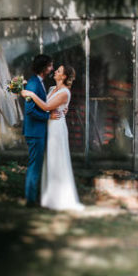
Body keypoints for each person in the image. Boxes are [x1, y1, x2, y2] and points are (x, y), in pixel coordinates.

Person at [22, 65, 84, 211]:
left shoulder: (64, 92)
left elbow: (45, 106)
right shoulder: (51, 89)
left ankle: (60, 198)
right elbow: (45, 107)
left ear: (63, 77)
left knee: (56, 160)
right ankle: (49, 197)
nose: (55, 71)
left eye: (59, 71)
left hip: (56, 129)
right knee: (48, 160)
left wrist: (30, 94)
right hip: (48, 126)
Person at [22, 54, 53, 207]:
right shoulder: (33, 84)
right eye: (50, 66)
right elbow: (29, 110)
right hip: (35, 133)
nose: (52, 69)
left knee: (36, 164)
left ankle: (33, 197)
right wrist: (47, 116)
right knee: (34, 165)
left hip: (37, 132)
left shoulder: (39, 82)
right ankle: (30, 200)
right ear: (44, 68)